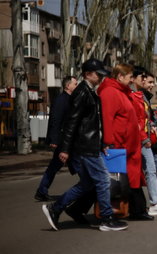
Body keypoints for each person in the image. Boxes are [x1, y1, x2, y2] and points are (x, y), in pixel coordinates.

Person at [41, 58, 128, 232]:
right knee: (103, 180)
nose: (101, 78)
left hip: (90, 144)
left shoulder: (90, 92)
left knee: (88, 184)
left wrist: (102, 142)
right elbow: (72, 122)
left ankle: (55, 208)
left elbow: (92, 123)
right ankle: (106, 218)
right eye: (98, 74)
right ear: (88, 74)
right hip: (85, 147)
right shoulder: (82, 92)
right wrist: (65, 149)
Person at [99, 63, 152, 221]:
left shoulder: (122, 91)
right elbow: (108, 119)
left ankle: (138, 210)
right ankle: (133, 211)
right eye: (130, 77)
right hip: (119, 145)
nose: (131, 81)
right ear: (120, 76)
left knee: (128, 179)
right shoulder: (110, 92)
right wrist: (109, 142)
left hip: (129, 145)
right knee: (116, 182)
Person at [130, 66, 157, 216]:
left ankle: (155, 200)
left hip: (144, 138)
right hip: (140, 139)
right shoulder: (134, 96)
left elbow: (144, 118)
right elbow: (137, 121)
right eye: (142, 78)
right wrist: (145, 138)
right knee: (149, 170)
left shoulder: (140, 96)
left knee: (151, 170)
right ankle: (154, 202)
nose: (145, 81)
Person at [35, 76, 78, 202]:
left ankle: (41, 190)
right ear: (67, 86)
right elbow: (55, 120)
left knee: (55, 165)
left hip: (66, 140)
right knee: (74, 164)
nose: (77, 86)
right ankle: (86, 188)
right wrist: (54, 140)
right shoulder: (61, 100)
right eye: (75, 84)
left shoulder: (69, 99)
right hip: (62, 140)